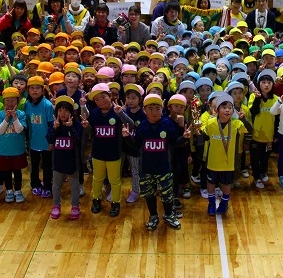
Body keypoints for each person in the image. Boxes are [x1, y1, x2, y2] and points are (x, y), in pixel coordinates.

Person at [123, 94, 187, 230]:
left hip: (164, 168)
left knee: (167, 195)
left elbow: (175, 143)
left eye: (157, 108)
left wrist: (185, 137)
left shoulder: (168, 124)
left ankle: (169, 214)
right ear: (145, 110)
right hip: (146, 169)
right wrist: (127, 138)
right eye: (150, 109)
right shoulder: (142, 127)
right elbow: (135, 146)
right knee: (149, 194)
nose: (154, 112)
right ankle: (153, 216)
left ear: (162, 109)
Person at [201, 92, 251, 215]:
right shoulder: (211, 123)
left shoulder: (236, 123)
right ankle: (211, 203)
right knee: (211, 183)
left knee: (227, 184)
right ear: (217, 110)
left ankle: (224, 203)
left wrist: (243, 118)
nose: (227, 110)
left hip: (228, 163)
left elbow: (251, 130)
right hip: (213, 161)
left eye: (230, 107)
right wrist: (197, 130)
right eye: (224, 107)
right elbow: (204, 137)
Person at [80, 83, 124, 217]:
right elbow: (90, 131)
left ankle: (116, 203)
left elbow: (131, 125)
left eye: (103, 97)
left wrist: (121, 114)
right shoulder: (94, 113)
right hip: (97, 153)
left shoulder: (117, 111)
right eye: (97, 99)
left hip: (114, 153)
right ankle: (96, 200)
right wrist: (87, 126)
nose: (100, 101)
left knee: (114, 181)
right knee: (97, 179)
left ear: (110, 95)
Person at [47, 95, 83, 220]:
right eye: (60, 110)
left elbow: (78, 139)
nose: (63, 113)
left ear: (71, 112)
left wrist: (71, 127)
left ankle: (75, 206)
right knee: (56, 185)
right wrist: (55, 129)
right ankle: (56, 205)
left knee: (74, 186)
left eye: (66, 110)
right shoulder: (54, 124)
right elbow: (50, 139)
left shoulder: (76, 124)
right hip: (57, 162)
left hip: (73, 162)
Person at [0, 87, 28, 203]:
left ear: (18, 101)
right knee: (6, 172)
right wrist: (6, 118)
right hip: (4, 150)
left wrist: (14, 117)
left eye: (13, 100)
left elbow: (19, 130)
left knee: (17, 172)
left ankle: (18, 190)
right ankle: (9, 190)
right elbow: (0, 131)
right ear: (3, 102)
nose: (10, 103)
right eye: (7, 100)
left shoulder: (21, 114)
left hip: (18, 150)